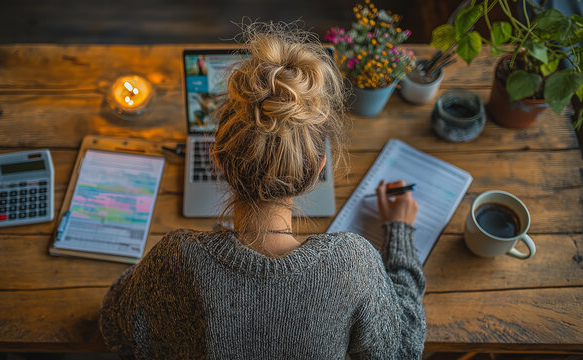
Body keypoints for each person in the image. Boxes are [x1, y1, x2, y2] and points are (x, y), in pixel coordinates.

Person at [99, 23, 426, 360]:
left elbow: (115, 325)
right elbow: (403, 350)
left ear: (217, 156)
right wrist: (399, 234)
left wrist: (163, 271)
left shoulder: (176, 258)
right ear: (318, 168)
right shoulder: (353, 265)